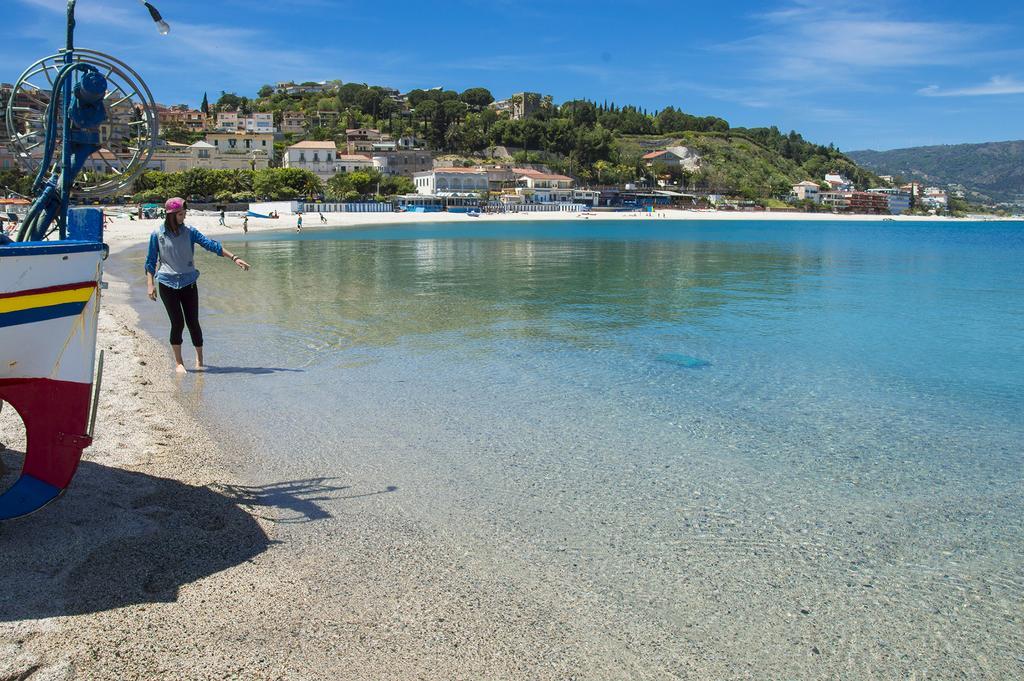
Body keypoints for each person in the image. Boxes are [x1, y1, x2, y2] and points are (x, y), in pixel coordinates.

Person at [145, 197, 250, 373]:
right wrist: (150, 284)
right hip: (166, 283)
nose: (183, 217)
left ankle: (199, 361)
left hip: (189, 283)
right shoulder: (157, 234)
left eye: (184, 213)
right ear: (171, 215)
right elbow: (150, 261)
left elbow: (211, 245)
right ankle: (179, 363)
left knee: (193, 322)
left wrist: (234, 258)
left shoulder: (190, 232)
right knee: (177, 322)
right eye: (180, 214)